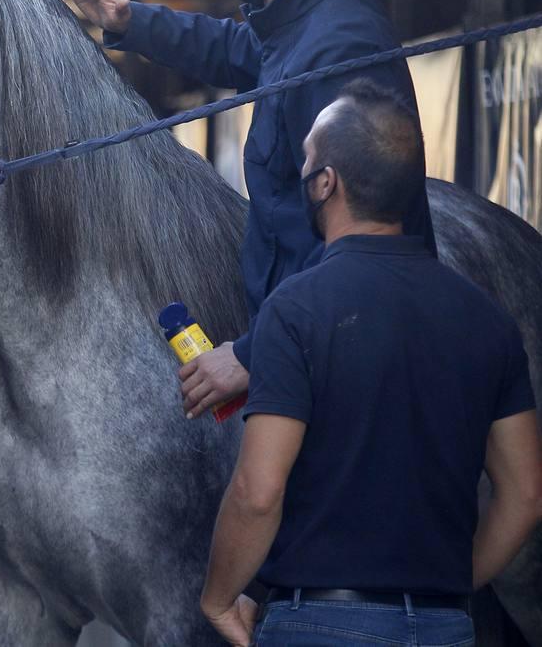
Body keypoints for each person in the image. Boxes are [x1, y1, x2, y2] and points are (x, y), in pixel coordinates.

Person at [47, 0, 436, 420]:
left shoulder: (340, 45)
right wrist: (126, 20)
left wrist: (253, 356)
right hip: (304, 345)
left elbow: (355, 247)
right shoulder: (307, 19)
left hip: (337, 370)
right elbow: (239, 48)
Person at [198, 81, 541, 647]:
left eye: (307, 160)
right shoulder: (488, 322)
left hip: (319, 624)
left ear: (325, 182)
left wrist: (217, 599)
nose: (302, 172)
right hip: (447, 627)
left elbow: (258, 491)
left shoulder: (295, 310)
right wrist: (450, 587)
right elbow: (526, 494)